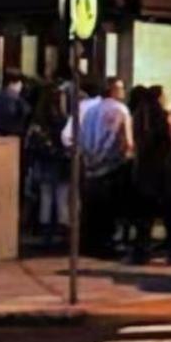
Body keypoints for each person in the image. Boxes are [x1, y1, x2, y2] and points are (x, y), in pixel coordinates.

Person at [66, 77, 134, 258]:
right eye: (120, 88)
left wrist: (90, 158)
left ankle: (90, 244)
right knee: (110, 210)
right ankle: (108, 246)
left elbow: (81, 136)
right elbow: (123, 140)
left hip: (90, 165)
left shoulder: (90, 111)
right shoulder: (120, 110)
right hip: (111, 166)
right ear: (113, 90)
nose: (123, 91)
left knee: (92, 210)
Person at [128, 85, 171, 265]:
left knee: (144, 216)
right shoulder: (166, 118)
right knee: (168, 214)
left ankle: (141, 251)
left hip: (144, 169)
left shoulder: (138, 117)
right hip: (164, 169)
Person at [26, 82, 72, 243]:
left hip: (43, 161)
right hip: (60, 162)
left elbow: (31, 143)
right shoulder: (63, 120)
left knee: (46, 196)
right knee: (62, 197)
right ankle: (62, 229)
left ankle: (46, 231)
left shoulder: (37, 120)